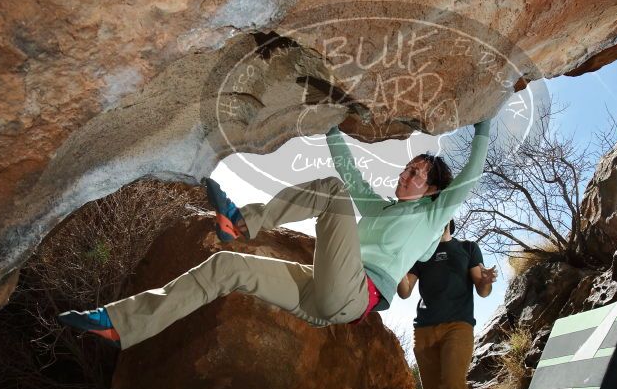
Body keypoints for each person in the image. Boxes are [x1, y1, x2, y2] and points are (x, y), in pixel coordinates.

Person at [58, 118, 492, 349]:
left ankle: (243, 222)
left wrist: (484, 125)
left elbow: (472, 172)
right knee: (227, 266)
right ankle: (121, 325)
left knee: (333, 193)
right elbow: (347, 168)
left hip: (356, 294)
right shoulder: (379, 206)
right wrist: (331, 126)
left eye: (416, 173)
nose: (406, 173)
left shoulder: (434, 216)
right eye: (407, 167)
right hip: (322, 297)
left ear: (433, 189)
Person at [397, 220, 497, 389]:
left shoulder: (467, 247)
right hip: (425, 330)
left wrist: (486, 281)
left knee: (453, 385)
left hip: (458, 325)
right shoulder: (420, 252)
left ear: (448, 216)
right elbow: (405, 291)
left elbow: (482, 289)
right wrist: (395, 265)